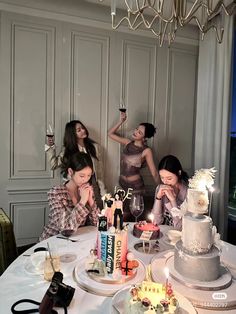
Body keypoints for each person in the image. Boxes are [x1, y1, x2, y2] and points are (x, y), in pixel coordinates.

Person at [108, 111, 159, 220]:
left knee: (128, 217)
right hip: (122, 186)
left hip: (135, 189)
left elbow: (154, 172)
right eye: (137, 129)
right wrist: (121, 121)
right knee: (117, 216)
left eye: (140, 132)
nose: (136, 132)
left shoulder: (146, 151)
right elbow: (110, 134)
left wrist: (160, 188)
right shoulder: (127, 143)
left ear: (145, 138)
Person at [39, 151, 100, 240]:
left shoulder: (86, 191)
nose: (85, 180)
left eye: (89, 176)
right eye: (82, 176)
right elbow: (65, 230)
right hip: (52, 242)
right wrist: (82, 201)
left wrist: (91, 202)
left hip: (76, 241)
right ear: (70, 172)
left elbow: (97, 225)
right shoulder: (56, 193)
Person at [45, 120, 105, 209]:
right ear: (72, 134)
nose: (83, 130)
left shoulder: (94, 147)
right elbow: (54, 164)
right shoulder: (68, 149)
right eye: (79, 130)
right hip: (75, 187)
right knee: (78, 212)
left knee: (96, 212)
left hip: (93, 185)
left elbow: (99, 171)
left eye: (83, 128)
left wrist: (102, 189)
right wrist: (50, 147)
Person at [151, 155, 188, 229]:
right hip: (164, 233)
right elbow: (155, 221)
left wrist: (173, 201)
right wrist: (158, 198)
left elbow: (180, 227)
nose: (165, 182)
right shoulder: (160, 188)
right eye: (162, 177)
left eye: (169, 178)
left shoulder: (188, 192)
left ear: (179, 173)